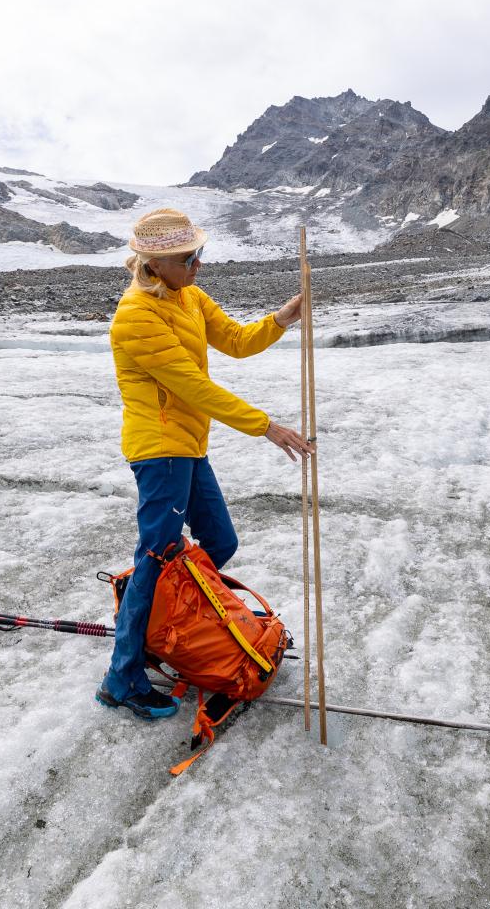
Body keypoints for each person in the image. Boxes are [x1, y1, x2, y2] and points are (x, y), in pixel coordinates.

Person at [97, 207, 312, 720]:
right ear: (156, 263)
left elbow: (236, 341)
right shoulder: (136, 317)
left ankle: (153, 614)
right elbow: (192, 386)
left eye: (199, 253)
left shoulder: (189, 296)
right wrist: (266, 426)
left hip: (190, 446)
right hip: (160, 449)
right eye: (189, 257)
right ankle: (121, 677)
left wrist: (283, 317)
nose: (199, 264)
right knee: (158, 556)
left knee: (219, 542)